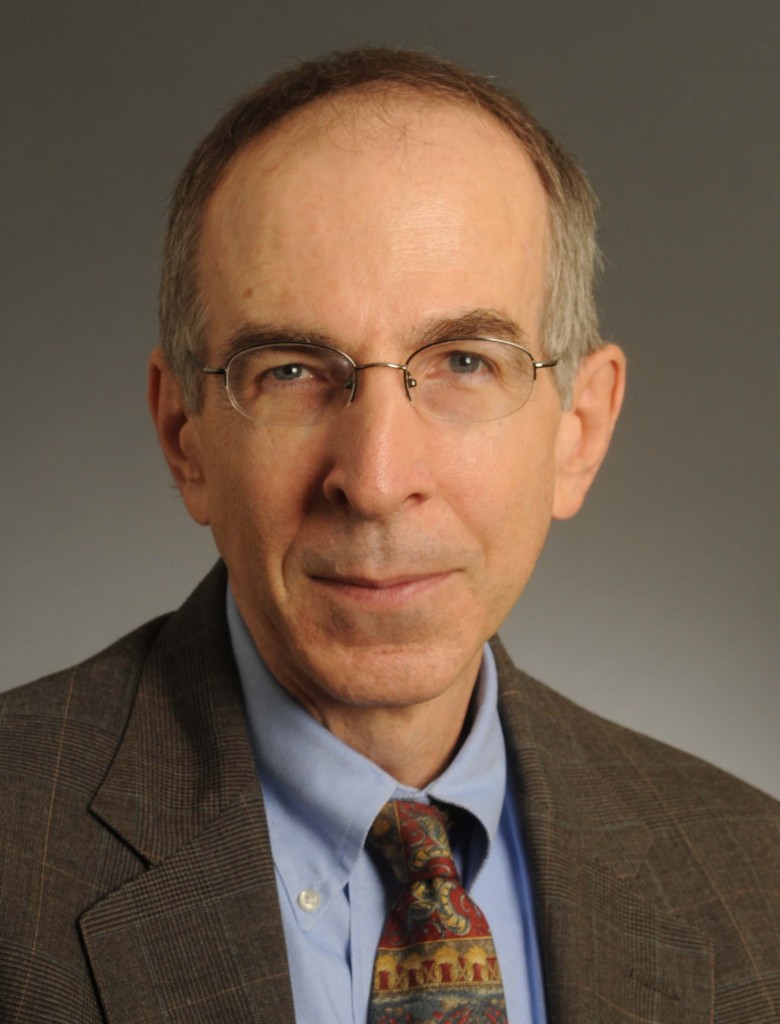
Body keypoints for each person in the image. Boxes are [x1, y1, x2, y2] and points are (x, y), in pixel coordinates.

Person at [0, 47, 777, 1024]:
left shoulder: (756, 884)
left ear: (579, 430)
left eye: (465, 361)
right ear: (184, 434)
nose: (373, 481)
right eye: (289, 370)